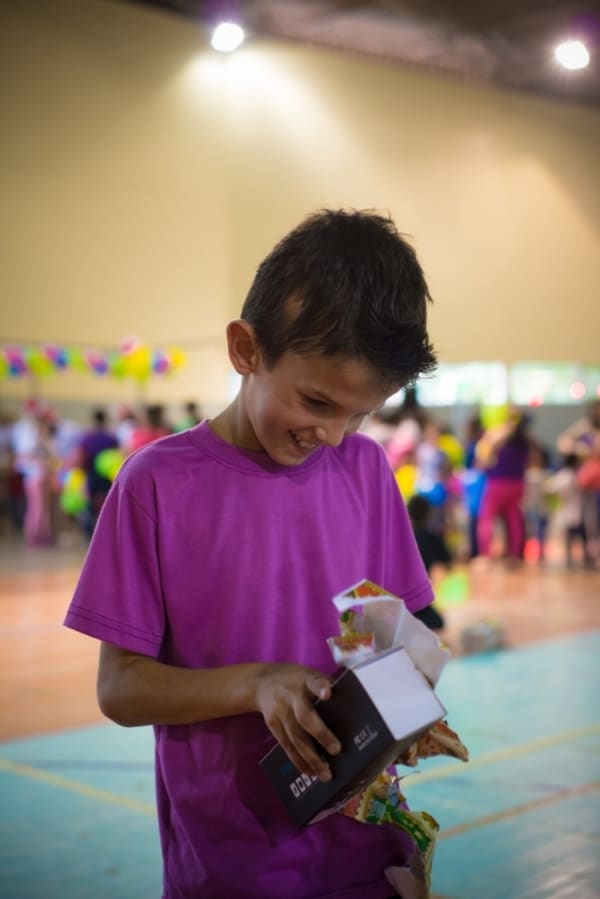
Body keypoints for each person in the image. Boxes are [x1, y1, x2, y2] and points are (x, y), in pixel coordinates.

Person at [64, 209, 438, 899]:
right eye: (316, 400)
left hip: (368, 849)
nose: (333, 435)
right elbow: (119, 688)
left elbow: (392, 628)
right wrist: (255, 683)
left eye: (358, 414)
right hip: (237, 862)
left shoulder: (365, 471)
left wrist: (409, 696)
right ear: (246, 349)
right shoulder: (157, 486)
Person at [406, 494, 449, 631]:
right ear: (428, 514)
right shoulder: (432, 538)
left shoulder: (405, 537)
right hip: (420, 596)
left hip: (403, 597)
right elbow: (447, 559)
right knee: (437, 622)